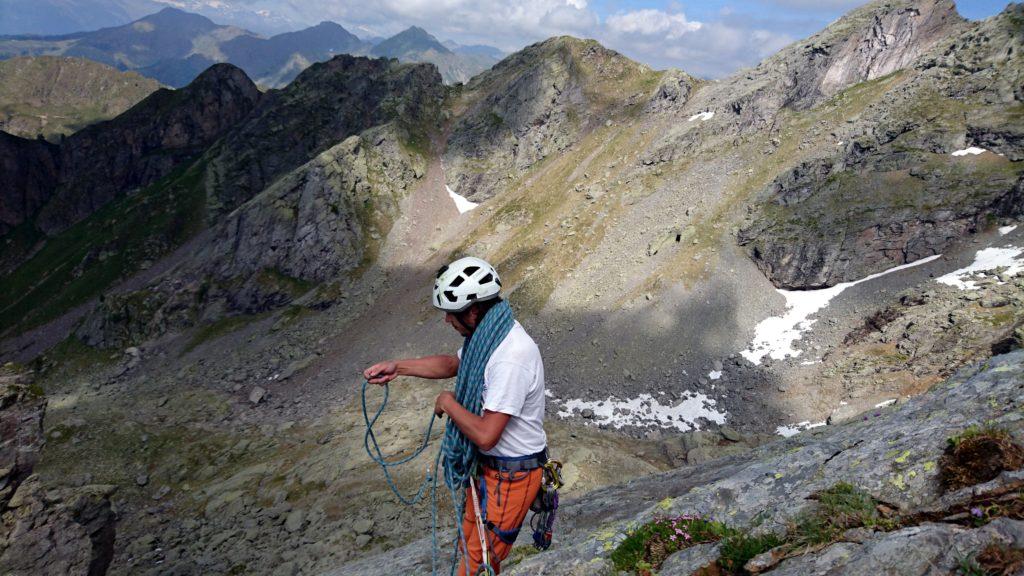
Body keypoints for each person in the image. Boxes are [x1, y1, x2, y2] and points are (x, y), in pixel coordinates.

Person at [364, 257, 547, 575]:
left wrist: (448, 403)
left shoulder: (511, 357)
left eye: (451, 314)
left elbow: (488, 434)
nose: (447, 321)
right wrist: (399, 367)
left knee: (478, 566)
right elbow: (453, 364)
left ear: (473, 311)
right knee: (470, 550)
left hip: (511, 476)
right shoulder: (489, 335)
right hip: (491, 470)